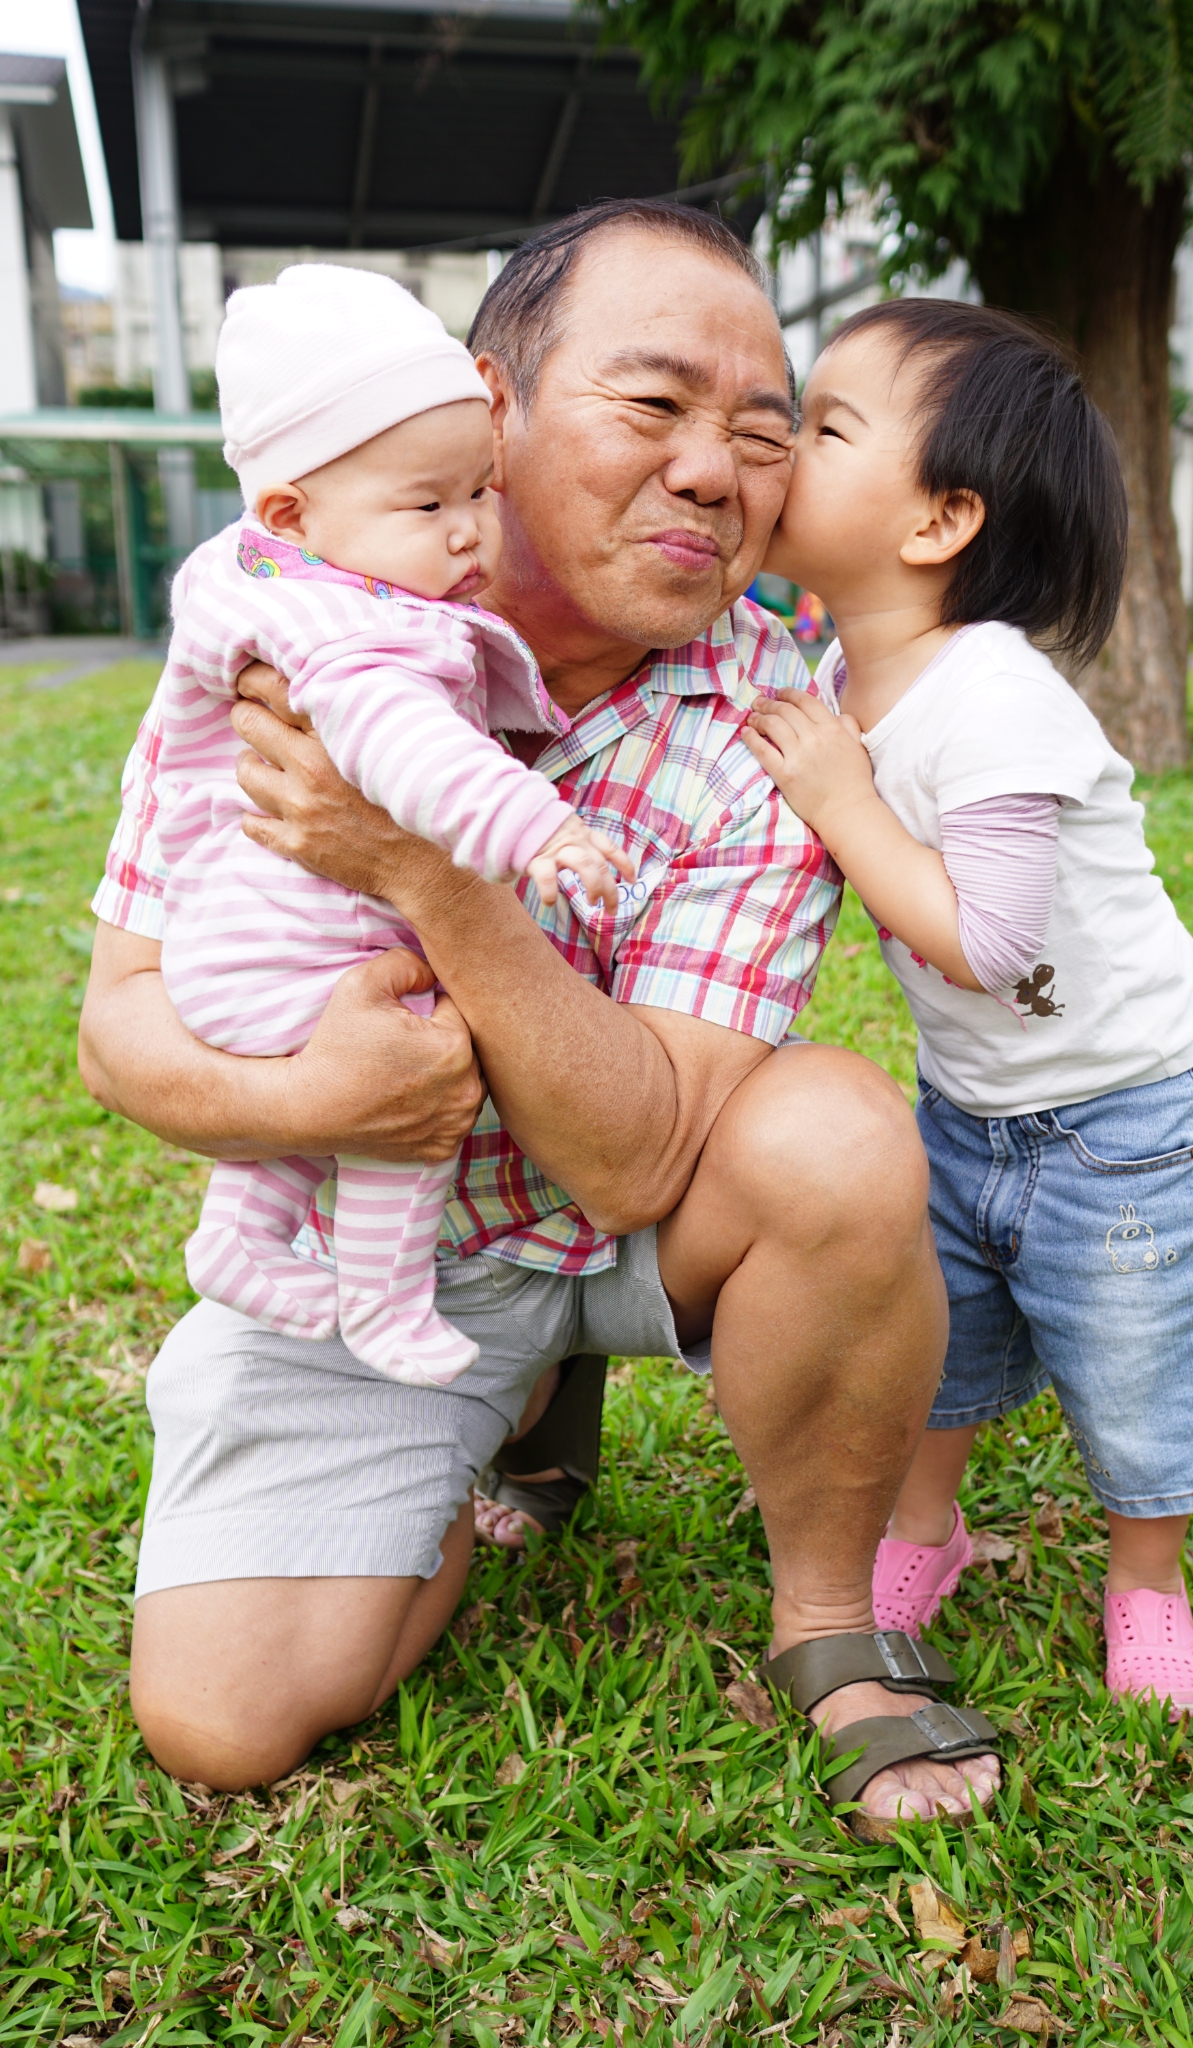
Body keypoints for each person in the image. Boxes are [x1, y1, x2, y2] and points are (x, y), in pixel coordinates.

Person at [78, 202, 1002, 1820]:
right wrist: (320, 1102)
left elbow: (640, 1162)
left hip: (630, 1217)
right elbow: (120, 1028)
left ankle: (831, 1622)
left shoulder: (778, 721)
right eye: (652, 405)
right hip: (379, 1248)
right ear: (489, 407)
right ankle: (491, 1409)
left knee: (839, 1138)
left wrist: (430, 874)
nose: (712, 472)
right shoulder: (274, 617)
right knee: (220, 1721)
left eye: (762, 433)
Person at [744, 298, 1193, 1716]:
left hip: (1123, 1107)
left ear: (939, 521)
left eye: (826, 425)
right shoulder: (832, 672)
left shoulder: (993, 696)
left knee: (1139, 1352)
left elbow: (989, 938)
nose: (782, 437)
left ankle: (1147, 1582)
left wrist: (841, 798)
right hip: (972, 1099)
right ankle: (924, 1528)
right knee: (939, 1333)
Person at [157, 263, 629, 1390]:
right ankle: (383, 1296)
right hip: (294, 951)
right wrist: (537, 830)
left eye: (480, 491)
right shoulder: (351, 636)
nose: (470, 534)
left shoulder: (264, 578)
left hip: (242, 950)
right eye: (428, 506)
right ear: (292, 513)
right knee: (410, 1069)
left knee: (330, 1070)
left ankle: (237, 1239)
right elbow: (410, 753)